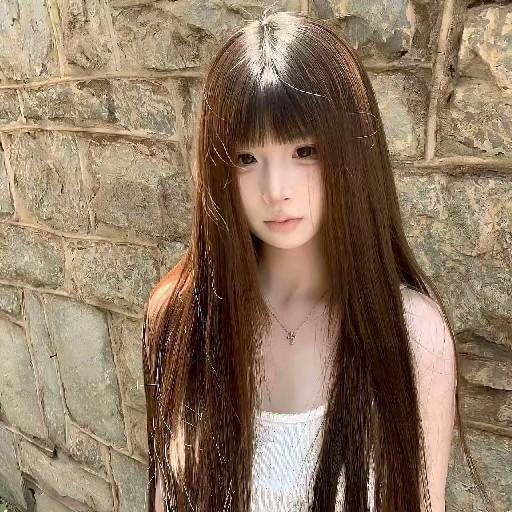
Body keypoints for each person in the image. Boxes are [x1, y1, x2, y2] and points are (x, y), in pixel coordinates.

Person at [142, 9, 495, 512]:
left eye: (304, 151)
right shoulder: (179, 319)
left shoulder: (411, 334)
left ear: (352, 152)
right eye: (246, 159)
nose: (276, 190)